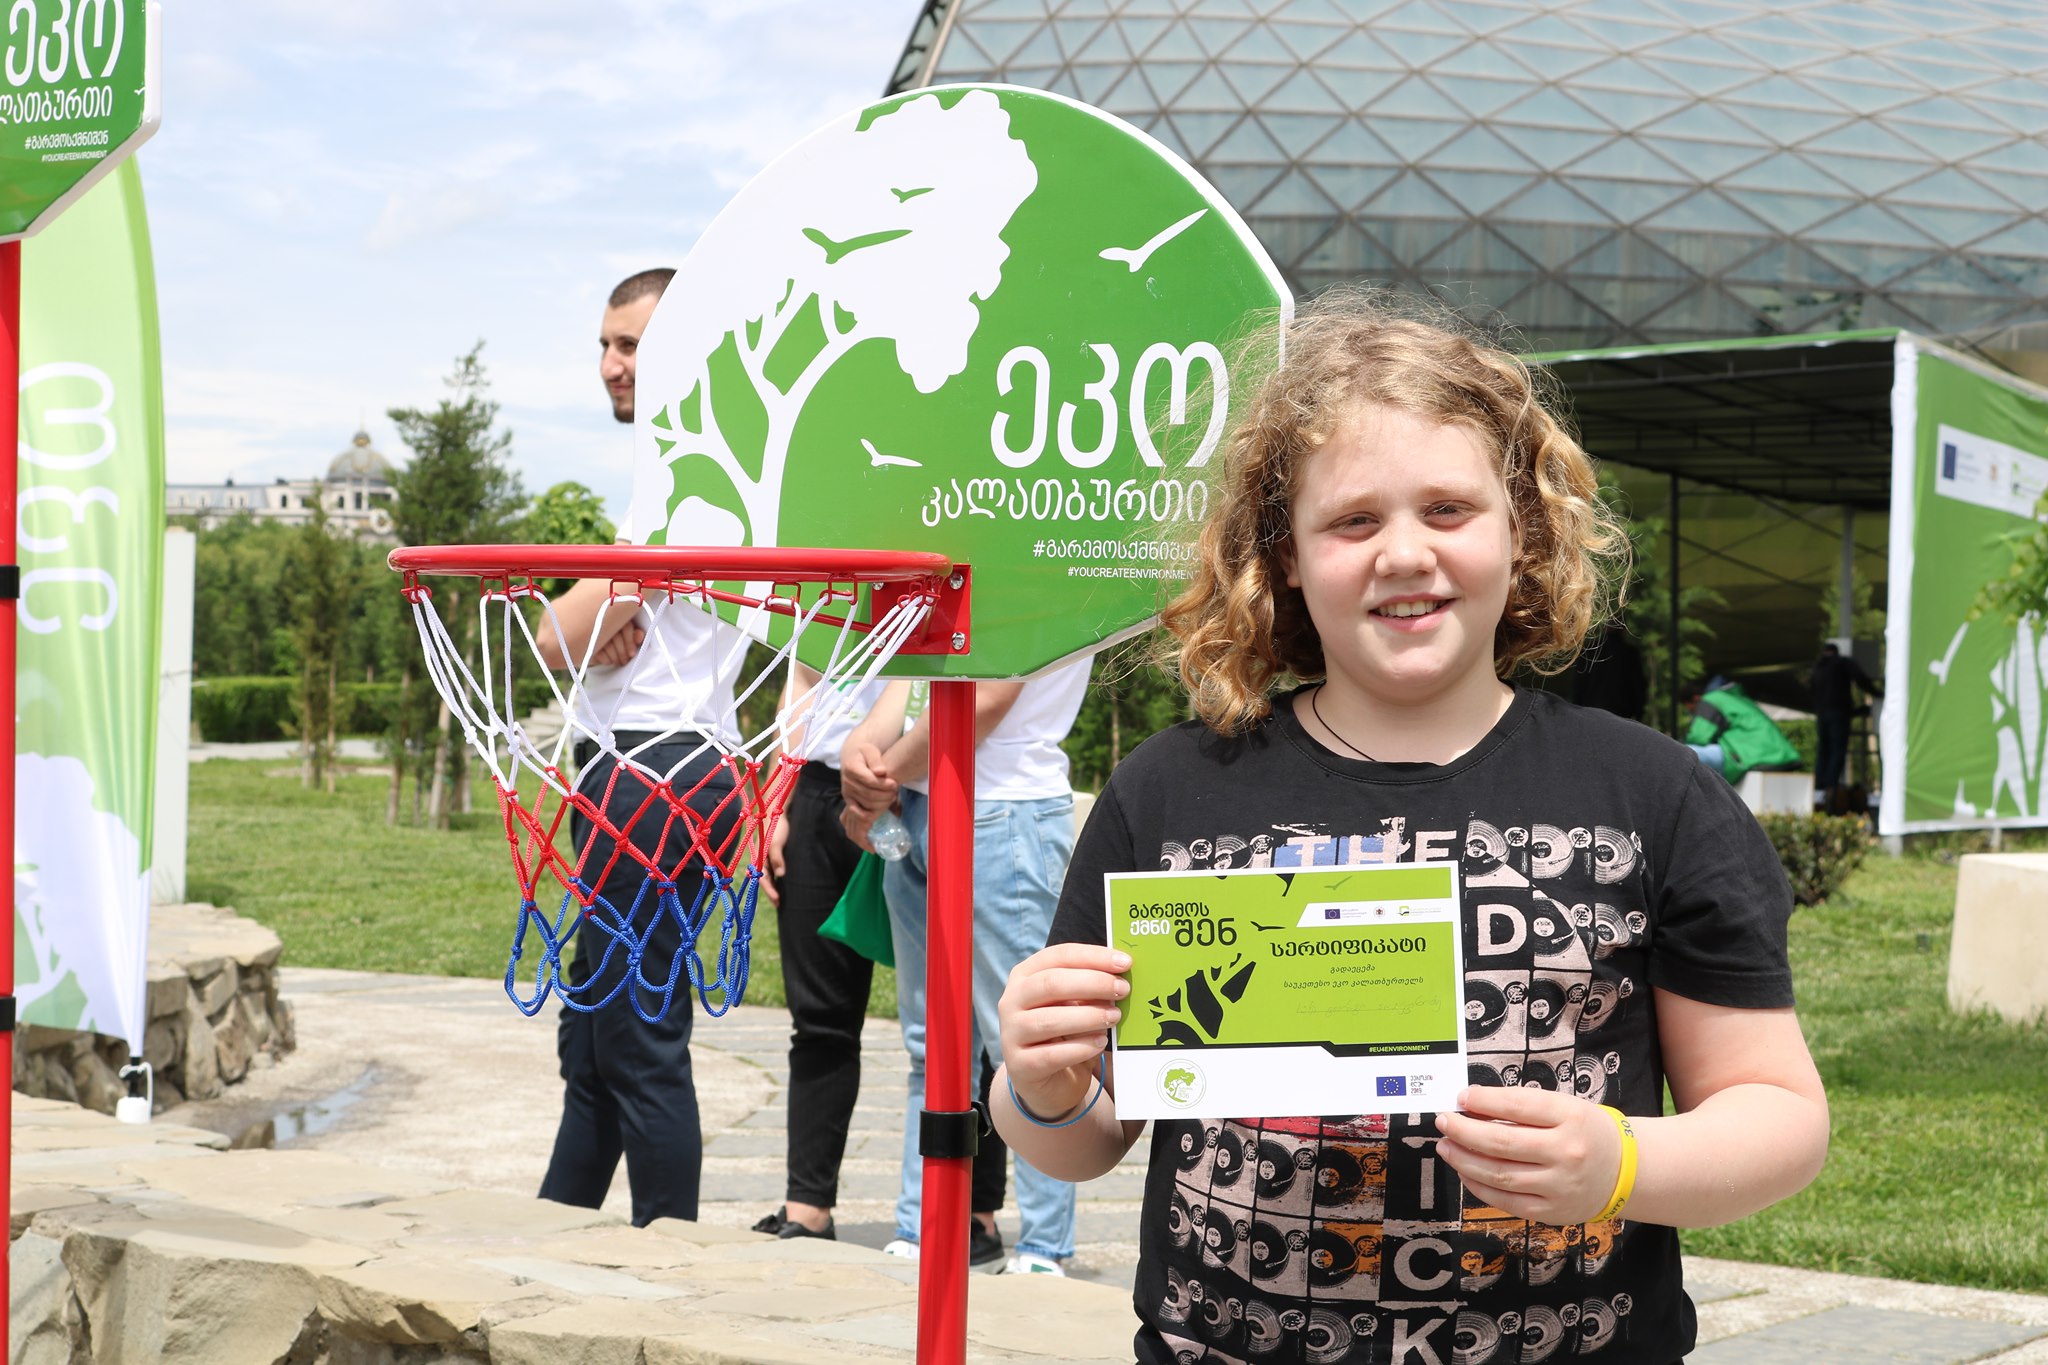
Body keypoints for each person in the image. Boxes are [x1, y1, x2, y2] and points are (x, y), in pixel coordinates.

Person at [993, 295, 1829, 1362]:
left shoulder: (1649, 794)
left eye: (1447, 509)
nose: (1402, 553)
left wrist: (1620, 1162)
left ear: (1521, 530)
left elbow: (1778, 1114)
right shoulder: (1171, 791)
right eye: (1352, 521)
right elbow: (1084, 1141)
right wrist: (1040, 1082)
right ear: (1283, 555)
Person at [533, 267, 750, 1226]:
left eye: (633, 345)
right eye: (605, 345)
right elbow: (587, 627)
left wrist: (591, 613)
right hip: (650, 760)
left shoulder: (690, 478)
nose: (611, 364)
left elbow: (556, 637)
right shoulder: (684, 473)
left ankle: (672, 1257)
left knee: (637, 1032)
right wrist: (602, 609)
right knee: (595, 1033)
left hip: (659, 766)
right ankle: (559, 1224)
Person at [843, 664, 1091, 1275]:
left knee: (1029, 1048)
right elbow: (912, 676)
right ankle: (924, 1224)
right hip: (918, 803)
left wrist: (878, 778)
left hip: (1005, 808)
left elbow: (984, 699)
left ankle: (1043, 1246)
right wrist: (860, 755)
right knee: (929, 1046)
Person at [749, 666, 886, 1242]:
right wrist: (776, 800)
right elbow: (803, 675)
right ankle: (807, 1208)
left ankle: (972, 1217)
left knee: (950, 1026)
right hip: (814, 791)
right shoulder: (822, 603)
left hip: (914, 786)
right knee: (819, 1019)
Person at [1684, 676, 1800, 785]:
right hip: (1780, 755)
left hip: (1750, 756)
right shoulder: (1738, 698)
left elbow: (1698, 737)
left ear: (1696, 699)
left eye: (1691, 710)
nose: (1694, 713)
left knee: (1682, 753)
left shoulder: (1711, 698)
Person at [1809, 641, 1880, 801]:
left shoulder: (1817, 667)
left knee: (1823, 750)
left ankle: (1819, 787)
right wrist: (1878, 694)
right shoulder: (1842, 662)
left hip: (1822, 714)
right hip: (1839, 714)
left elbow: (1812, 690)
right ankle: (1831, 786)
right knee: (1837, 750)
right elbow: (1861, 679)